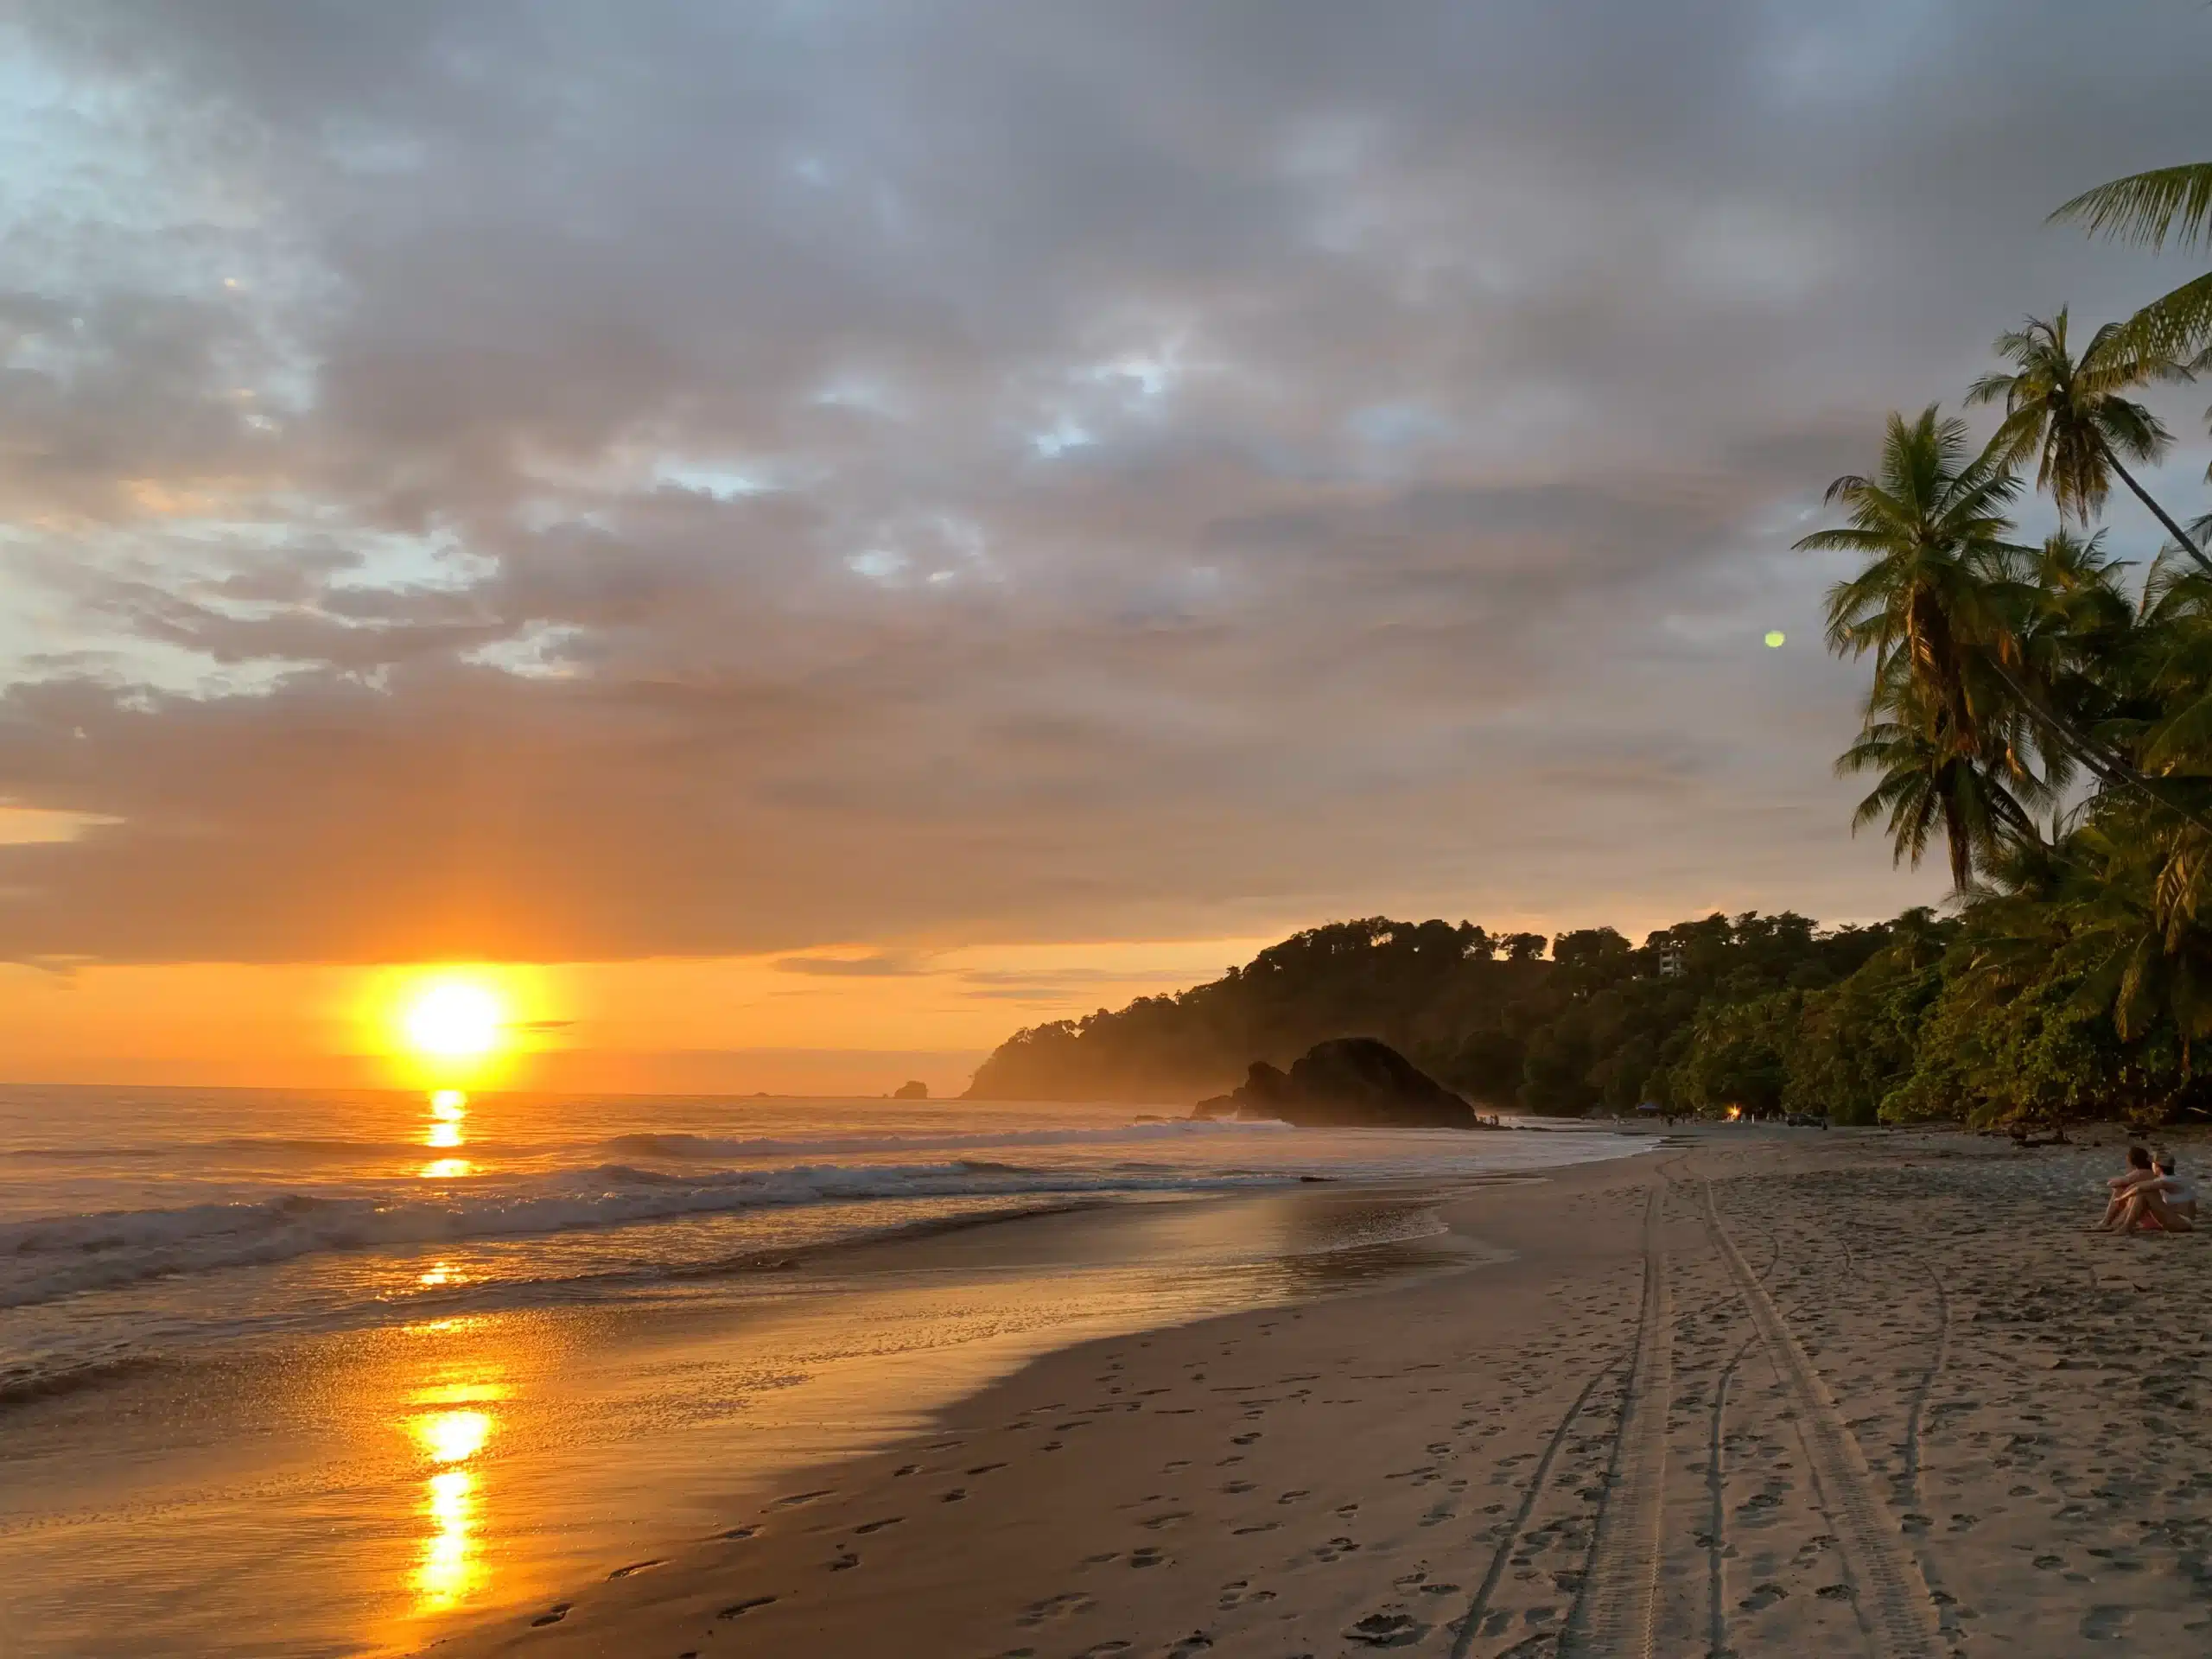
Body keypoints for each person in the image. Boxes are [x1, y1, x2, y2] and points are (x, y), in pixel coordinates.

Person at [2113, 1152, 2197, 1234]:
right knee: (2141, 1192)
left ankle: (2126, 1227)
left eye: (2153, 1163)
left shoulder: (2169, 1180)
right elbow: (2137, 1185)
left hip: (2182, 1223)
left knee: (2146, 1193)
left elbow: (2140, 1188)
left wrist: (2121, 1198)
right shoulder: (2169, 1179)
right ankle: (2122, 1224)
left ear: (2157, 1167)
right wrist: (2126, 1194)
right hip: (2175, 1219)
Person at [2100, 1145, 2157, 1230]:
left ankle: (2106, 1221)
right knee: (2125, 1189)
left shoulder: (2141, 1173)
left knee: (2119, 1189)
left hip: (2151, 1214)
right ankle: (2109, 1221)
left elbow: (2112, 1183)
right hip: (2153, 1210)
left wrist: (2114, 1181)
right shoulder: (2151, 1172)